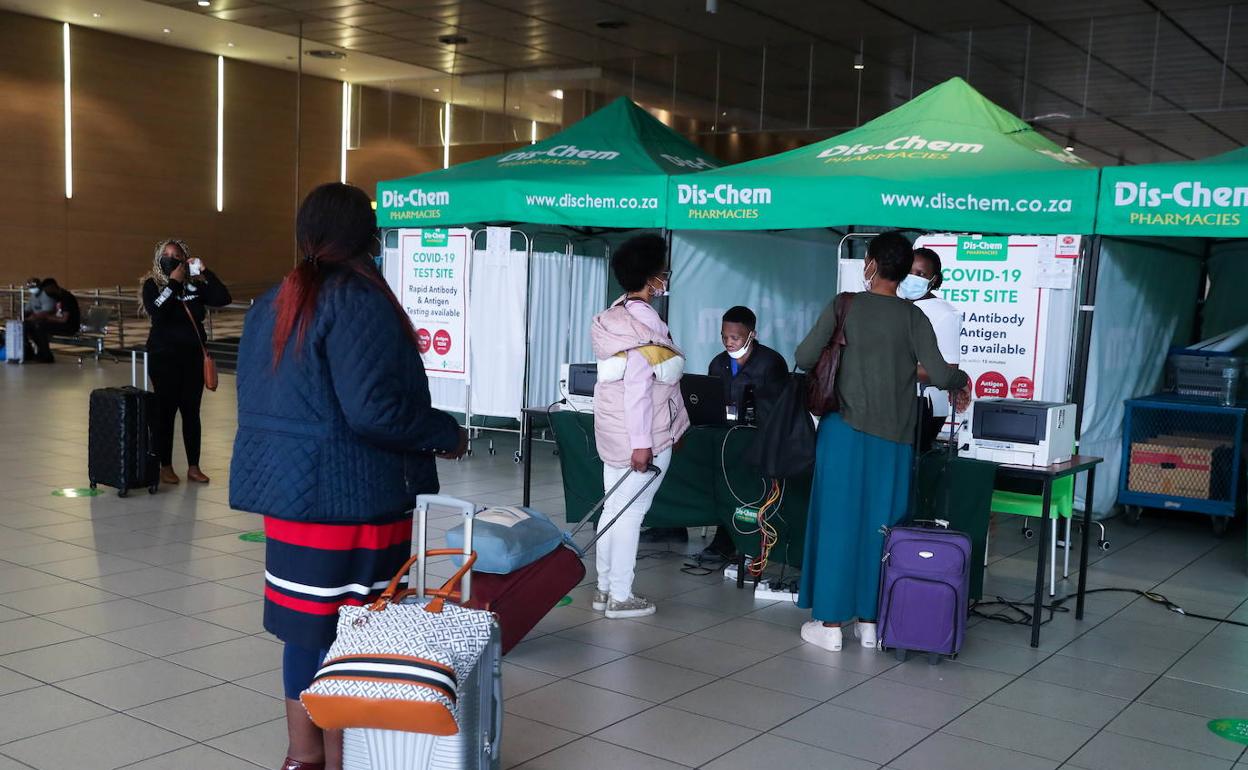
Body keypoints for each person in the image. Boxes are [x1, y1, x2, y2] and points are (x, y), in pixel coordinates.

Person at [229, 183, 466, 770]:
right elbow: (375, 412)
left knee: (305, 630)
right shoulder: (358, 300)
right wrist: (446, 432)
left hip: (286, 496)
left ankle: (301, 755)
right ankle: (344, 759)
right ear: (367, 236)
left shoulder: (273, 302)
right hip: (351, 497)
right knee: (358, 633)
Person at [794, 231, 969, 653]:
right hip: (895, 440)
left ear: (869, 263)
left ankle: (831, 624)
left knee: (838, 524)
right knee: (883, 529)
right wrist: (961, 381)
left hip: (844, 434)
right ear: (907, 268)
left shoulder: (844, 306)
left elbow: (802, 358)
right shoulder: (914, 318)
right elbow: (943, 374)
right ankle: (871, 622)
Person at [590, 233, 690, 619]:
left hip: (612, 430)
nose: (665, 277)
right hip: (641, 435)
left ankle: (603, 588)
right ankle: (621, 595)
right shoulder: (647, 324)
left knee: (612, 509)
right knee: (630, 513)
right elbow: (638, 387)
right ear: (651, 278)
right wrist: (643, 443)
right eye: (662, 271)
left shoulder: (615, 315)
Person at [700, 305, 790, 560]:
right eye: (724, 336)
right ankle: (719, 534)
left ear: (752, 335)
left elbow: (777, 411)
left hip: (758, 440)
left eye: (735, 338)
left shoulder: (771, 363)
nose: (729, 342)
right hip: (725, 436)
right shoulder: (718, 364)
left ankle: (740, 539)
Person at [141, 239, 232, 485]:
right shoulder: (153, 284)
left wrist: (204, 271)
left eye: (176, 255)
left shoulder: (196, 286)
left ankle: (194, 466)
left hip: (192, 358)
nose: (171, 258)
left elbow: (223, 297)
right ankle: (166, 466)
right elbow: (157, 313)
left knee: (191, 412)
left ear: (185, 258)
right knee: (166, 412)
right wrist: (173, 283)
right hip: (163, 358)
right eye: (167, 255)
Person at [899, 247, 967, 450]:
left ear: (933, 279)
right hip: (891, 400)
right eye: (908, 271)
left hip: (923, 404)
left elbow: (948, 370)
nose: (912, 278)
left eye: (921, 274)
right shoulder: (894, 304)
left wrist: (893, 368)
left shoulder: (944, 313)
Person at [23, 278, 80, 363]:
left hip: (70, 326)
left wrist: (46, 317)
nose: (46, 293)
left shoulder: (66, 298)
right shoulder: (57, 297)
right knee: (32, 325)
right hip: (60, 323)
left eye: (47, 291)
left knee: (40, 326)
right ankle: (35, 352)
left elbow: (64, 319)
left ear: (53, 287)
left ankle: (46, 355)